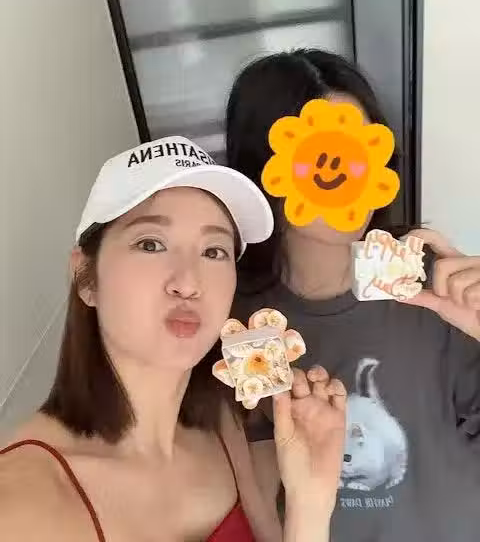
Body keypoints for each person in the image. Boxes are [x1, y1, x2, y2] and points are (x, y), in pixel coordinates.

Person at [0, 136, 347, 542]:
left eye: (214, 251)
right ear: (85, 278)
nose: (188, 282)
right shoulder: (20, 505)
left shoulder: (225, 428)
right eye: (151, 244)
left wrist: (310, 502)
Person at [226, 49, 480, 542]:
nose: (344, 176)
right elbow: (263, 496)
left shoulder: (427, 279)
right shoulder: (247, 326)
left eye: (361, 152)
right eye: (320, 153)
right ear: (265, 170)